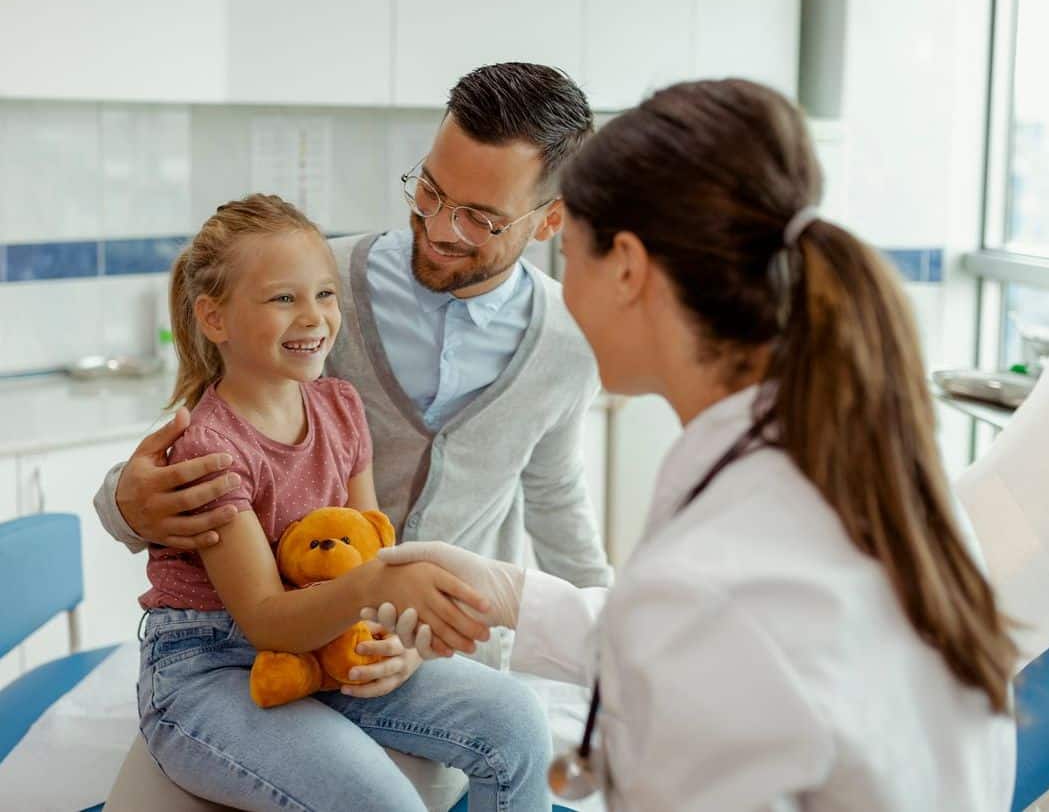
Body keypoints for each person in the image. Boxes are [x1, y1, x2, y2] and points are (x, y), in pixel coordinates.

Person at [367, 78, 1020, 810]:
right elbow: (728, 657)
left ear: (627, 268)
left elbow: (704, 634)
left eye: (570, 257)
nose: (562, 290)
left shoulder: (707, 580)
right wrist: (512, 593)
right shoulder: (856, 470)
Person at [94, 61, 612, 669]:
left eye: (480, 217)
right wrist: (125, 506)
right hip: (300, 652)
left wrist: (616, 654)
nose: (440, 227)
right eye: (430, 191)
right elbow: (206, 444)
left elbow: (554, 494)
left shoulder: (570, 339)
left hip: (453, 659)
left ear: (549, 220)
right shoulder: (317, 289)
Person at [133, 193, 552, 811]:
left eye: (324, 294)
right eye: (283, 298)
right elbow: (267, 619)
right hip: (210, 667)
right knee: (381, 802)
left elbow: (368, 545)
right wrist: (370, 588)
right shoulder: (211, 451)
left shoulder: (340, 407)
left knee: (517, 722)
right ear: (214, 319)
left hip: (329, 643)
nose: (313, 317)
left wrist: (396, 641)